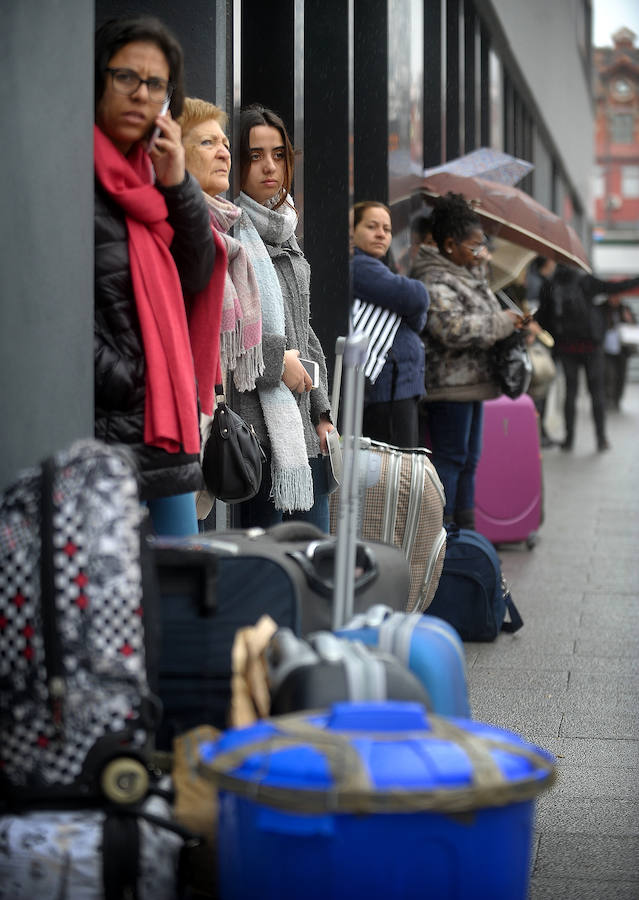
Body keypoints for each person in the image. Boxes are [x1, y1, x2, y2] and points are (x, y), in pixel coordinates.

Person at [94, 17, 217, 536]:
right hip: (104, 432)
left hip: (162, 429)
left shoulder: (154, 181)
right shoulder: (67, 174)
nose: (140, 94)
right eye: (126, 77)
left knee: (179, 597)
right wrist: (133, 381)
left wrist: (178, 186)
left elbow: (197, 272)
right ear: (97, 79)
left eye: (156, 84)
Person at [232, 104, 335, 531]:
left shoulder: (288, 235)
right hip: (255, 432)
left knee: (315, 561)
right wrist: (278, 363)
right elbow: (227, 335)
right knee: (267, 571)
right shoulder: (231, 235)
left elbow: (306, 331)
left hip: (304, 431)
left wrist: (324, 413)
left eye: (278, 155)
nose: (269, 167)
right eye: (255, 156)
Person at [410, 192, 521, 529]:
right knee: (452, 459)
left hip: (470, 384)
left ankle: (466, 537)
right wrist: (502, 322)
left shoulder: (464, 273)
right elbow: (452, 329)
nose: (478, 253)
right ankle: (443, 536)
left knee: (470, 461)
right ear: (448, 245)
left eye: (480, 246)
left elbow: (480, 311)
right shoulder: (433, 277)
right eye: (472, 247)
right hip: (449, 387)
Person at [179, 97, 265, 519]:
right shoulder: (182, 230)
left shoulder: (223, 232)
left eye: (226, 143)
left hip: (204, 409)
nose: (224, 152)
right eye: (208, 142)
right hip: (174, 415)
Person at [351, 201, 430, 447]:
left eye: (386, 229)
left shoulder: (379, 269)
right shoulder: (360, 267)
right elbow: (417, 298)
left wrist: (411, 306)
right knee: (392, 470)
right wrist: (413, 300)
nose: (381, 234)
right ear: (352, 232)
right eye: (372, 226)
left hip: (398, 386)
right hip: (387, 389)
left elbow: (417, 315)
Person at [537, 265, 639, 451]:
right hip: (591, 347)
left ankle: (569, 440)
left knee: (570, 393)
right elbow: (613, 288)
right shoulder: (585, 281)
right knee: (596, 394)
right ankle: (601, 439)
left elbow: (543, 318)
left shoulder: (549, 285)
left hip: (566, 347)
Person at [602, 294, 637, 411]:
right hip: (607, 348)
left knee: (620, 375)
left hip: (622, 349)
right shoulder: (603, 309)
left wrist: (629, 319)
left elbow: (633, 326)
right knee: (608, 374)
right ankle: (608, 398)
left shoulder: (625, 309)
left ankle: (617, 399)